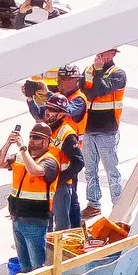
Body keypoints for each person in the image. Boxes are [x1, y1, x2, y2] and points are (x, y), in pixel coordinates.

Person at [0, 121, 63, 271]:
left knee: (37, 267)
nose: (33, 141)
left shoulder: (50, 161)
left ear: (47, 141)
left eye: (38, 138)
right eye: (31, 137)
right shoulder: (22, 157)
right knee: (24, 265)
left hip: (35, 220)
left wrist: (22, 148)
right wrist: (8, 143)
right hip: (17, 217)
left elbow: (35, 171)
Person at [82, 46, 128, 215]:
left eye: (106, 51)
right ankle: (93, 204)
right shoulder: (88, 70)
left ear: (113, 54)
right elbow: (87, 93)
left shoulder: (118, 74)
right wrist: (96, 79)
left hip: (107, 129)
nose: (100, 53)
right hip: (89, 127)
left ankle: (118, 205)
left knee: (111, 171)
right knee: (90, 169)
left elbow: (100, 89)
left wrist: (99, 72)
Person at [44, 68, 89, 231]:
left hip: (68, 160)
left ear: (74, 80)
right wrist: (31, 98)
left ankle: (75, 230)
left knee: (71, 200)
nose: (58, 82)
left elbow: (68, 109)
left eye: (62, 79)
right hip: (55, 168)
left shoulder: (79, 99)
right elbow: (41, 112)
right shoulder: (63, 99)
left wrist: (50, 96)